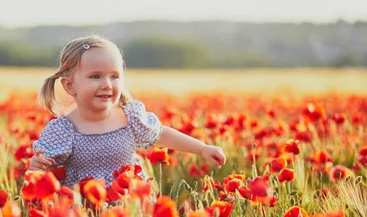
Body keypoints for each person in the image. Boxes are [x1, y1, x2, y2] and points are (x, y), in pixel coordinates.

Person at [29, 35, 226, 188]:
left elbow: (161, 134)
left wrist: (202, 148)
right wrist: (37, 166)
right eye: (95, 76)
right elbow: (45, 169)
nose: (107, 84)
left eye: (114, 76)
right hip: (86, 211)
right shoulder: (64, 129)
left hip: (128, 206)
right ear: (70, 85)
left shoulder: (130, 118)